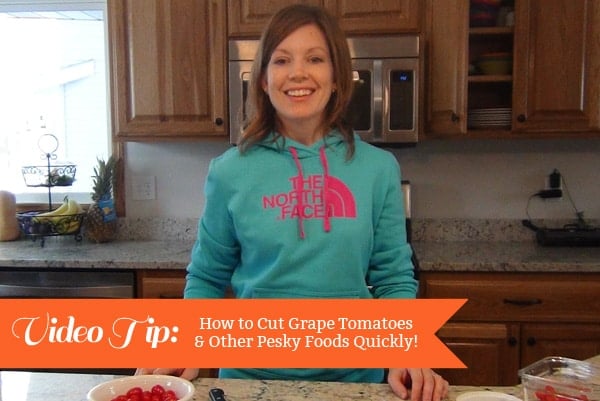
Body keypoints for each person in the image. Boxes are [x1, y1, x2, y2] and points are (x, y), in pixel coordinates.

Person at [137, 4, 449, 401]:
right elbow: (207, 278)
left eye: (315, 59)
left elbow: (393, 278)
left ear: (336, 77)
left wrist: (409, 349)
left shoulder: (378, 169)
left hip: (358, 380)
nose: (298, 73)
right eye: (282, 60)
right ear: (264, 79)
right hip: (249, 382)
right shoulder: (229, 172)